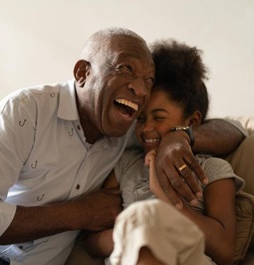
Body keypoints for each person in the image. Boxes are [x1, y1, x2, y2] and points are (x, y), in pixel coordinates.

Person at [0, 28, 245, 265]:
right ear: (82, 73)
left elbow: (236, 129)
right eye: (126, 69)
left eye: (147, 81)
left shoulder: (131, 131)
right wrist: (80, 213)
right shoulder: (26, 112)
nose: (139, 89)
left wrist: (178, 137)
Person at [85, 39, 245, 265]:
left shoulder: (212, 169)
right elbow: (92, 243)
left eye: (159, 117)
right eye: (140, 118)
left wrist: (168, 200)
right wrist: (136, 230)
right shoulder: (125, 163)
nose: (147, 128)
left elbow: (225, 251)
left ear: (193, 121)